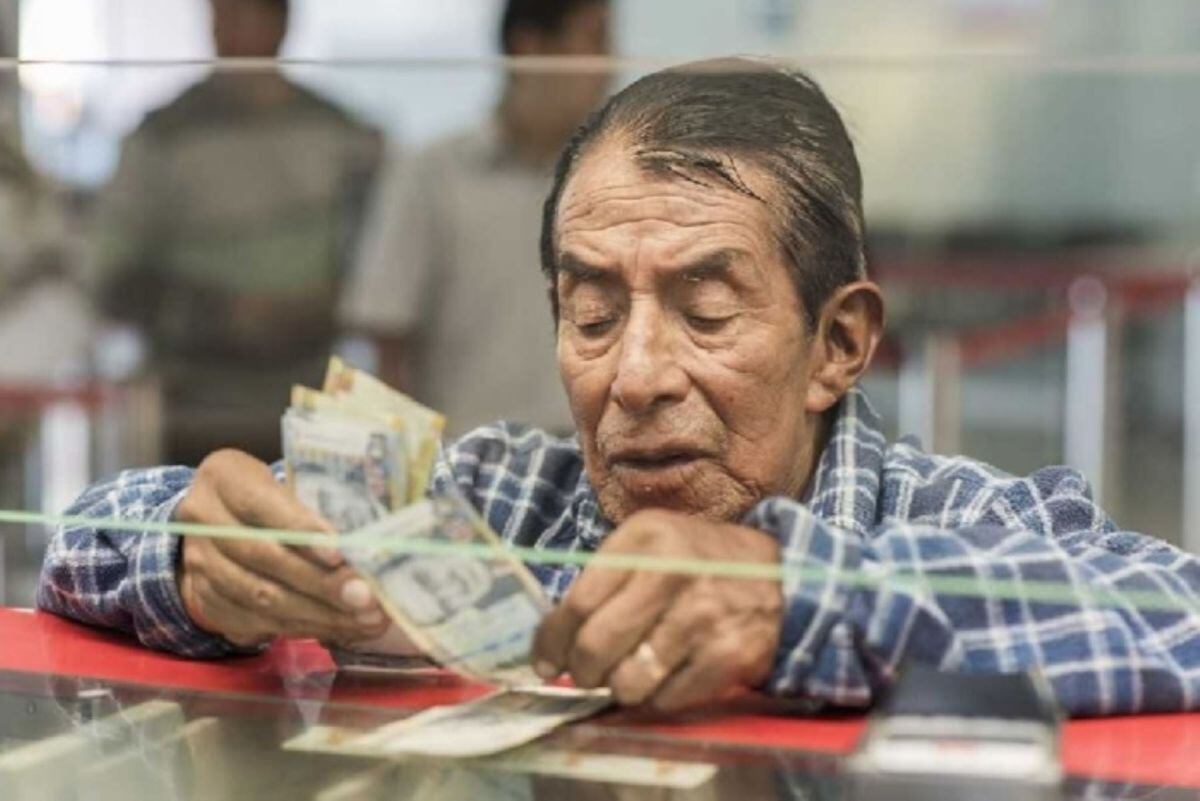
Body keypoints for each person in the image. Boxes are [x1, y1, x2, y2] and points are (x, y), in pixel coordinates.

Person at [41, 59, 1200, 716]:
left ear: (839, 344)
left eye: (705, 311)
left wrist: (799, 597)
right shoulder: (499, 497)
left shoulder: (949, 519)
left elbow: (1177, 614)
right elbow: (78, 544)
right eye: (592, 313)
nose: (634, 377)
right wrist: (194, 562)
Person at [90, 0, 381, 465]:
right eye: (220, 13)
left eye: (248, 13)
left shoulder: (344, 138)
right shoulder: (159, 138)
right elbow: (113, 281)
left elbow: (383, 269)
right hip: (191, 410)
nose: (230, 30)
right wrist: (225, 314)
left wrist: (319, 307)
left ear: (282, 22)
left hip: (315, 407)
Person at [341, 0, 611, 436]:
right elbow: (387, 339)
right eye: (595, 43)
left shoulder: (612, 178)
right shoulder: (433, 174)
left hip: (594, 462)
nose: (608, 68)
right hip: (465, 470)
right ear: (531, 48)